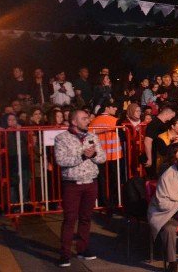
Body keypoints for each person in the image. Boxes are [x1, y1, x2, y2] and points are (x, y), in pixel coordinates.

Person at [54, 109, 105, 267]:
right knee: (70, 219)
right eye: (83, 119)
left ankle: (82, 249)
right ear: (74, 121)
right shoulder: (61, 138)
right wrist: (82, 156)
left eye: (87, 118)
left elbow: (103, 157)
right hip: (72, 184)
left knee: (86, 218)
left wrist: (94, 154)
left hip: (91, 182)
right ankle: (65, 254)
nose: (88, 121)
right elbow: (61, 160)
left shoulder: (92, 137)